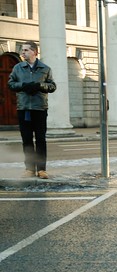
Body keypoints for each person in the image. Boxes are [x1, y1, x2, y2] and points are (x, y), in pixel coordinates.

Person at [7, 41, 57, 179]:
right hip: (23, 109)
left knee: (40, 139)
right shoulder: (18, 68)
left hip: (39, 109)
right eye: (22, 50)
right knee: (27, 140)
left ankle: (41, 170)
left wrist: (40, 85)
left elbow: (52, 86)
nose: (23, 53)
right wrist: (23, 85)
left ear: (35, 52)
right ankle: (29, 169)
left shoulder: (45, 69)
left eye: (26, 50)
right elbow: (10, 84)